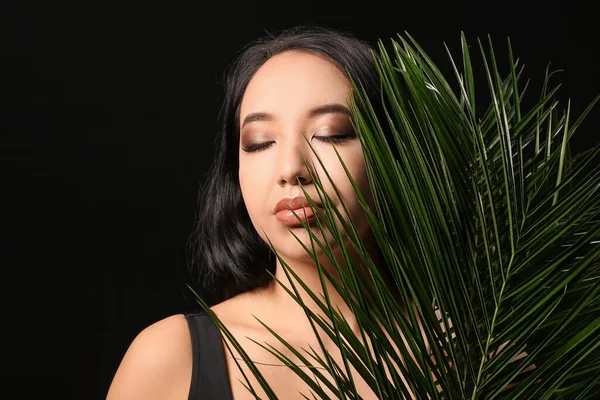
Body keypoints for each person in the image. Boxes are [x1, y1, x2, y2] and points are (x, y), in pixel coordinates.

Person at [105, 25, 411, 400]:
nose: (290, 169)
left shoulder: (475, 353)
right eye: (259, 142)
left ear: (398, 154)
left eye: (331, 133)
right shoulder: (170, 359)